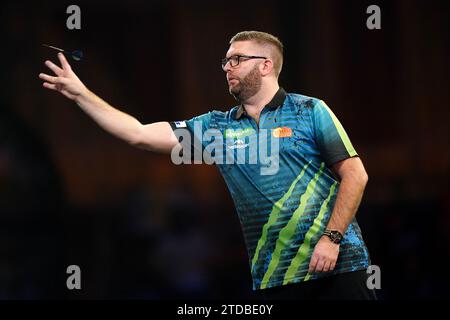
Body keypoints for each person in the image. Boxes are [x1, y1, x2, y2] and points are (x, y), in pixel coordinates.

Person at [39, 31, 376, 300]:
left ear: (266, 65)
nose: (226, 67)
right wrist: (81, 93)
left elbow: (355, 174)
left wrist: (331, 239)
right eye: (225, 61)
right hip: (276, 276)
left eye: (237, 59)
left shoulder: (310, 110)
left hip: (340, 267)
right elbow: (139, 134)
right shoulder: (217, 128)